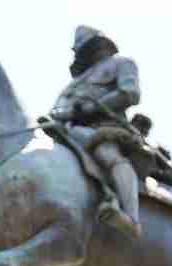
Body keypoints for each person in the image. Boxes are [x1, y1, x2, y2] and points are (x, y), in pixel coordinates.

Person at [50, 26, 143, 237]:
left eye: (94, 46)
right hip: (67, 131)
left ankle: (131, 218)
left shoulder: (122, 63)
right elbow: (58, 109)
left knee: (107, 154)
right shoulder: (72, 85)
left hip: (105, 127)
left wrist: (92, 107)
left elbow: (130, 93)